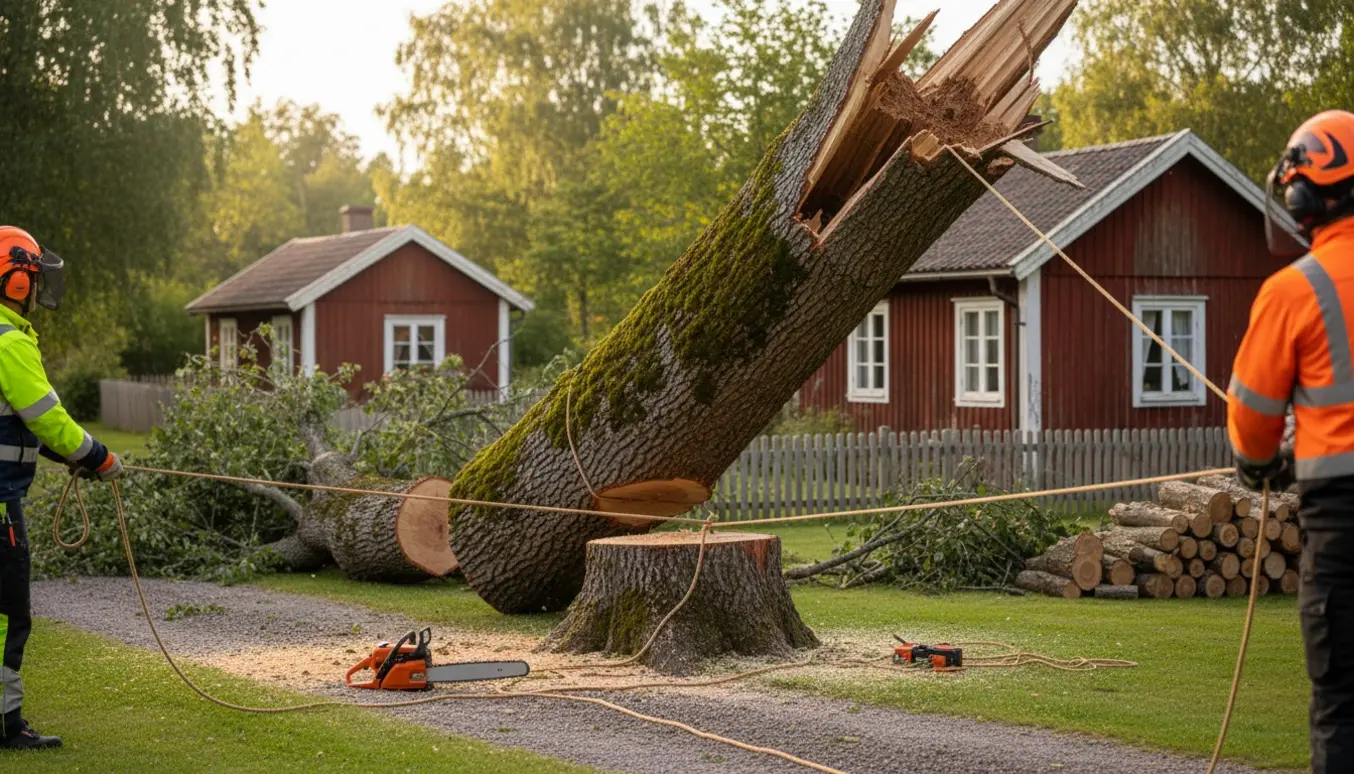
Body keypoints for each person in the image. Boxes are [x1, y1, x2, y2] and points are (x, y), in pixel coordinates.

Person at [1227, 110, 1354, 774]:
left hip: (1343, 524)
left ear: (1303, 193)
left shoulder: (1295, 291)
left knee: (1342, 705)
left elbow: (1252, 415)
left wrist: (1260, 465)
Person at [0, 227, 123, 751]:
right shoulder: (8, 341)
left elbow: (17, 422)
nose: (37, 285)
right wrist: (98, 457)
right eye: (32, 275)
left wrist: (70, 460)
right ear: (14, 280)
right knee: (8, 615)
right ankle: (5, 725)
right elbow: (48, 419)